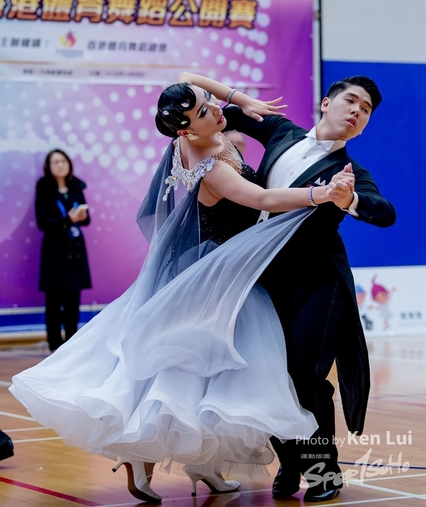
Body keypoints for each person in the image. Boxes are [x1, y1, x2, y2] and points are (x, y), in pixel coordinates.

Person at [10, 84, 351, 504]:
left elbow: (189, 78)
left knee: (211, 378)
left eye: (209, 103)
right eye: (204, 112)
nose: (216, 111)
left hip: (222, 271)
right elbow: (262, 197)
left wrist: (237, 98)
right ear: (185, 131)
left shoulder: (193, 138)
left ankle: (204, 462)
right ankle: (145, 455)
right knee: (198, 377)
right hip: (218, 277)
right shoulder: (209, 165)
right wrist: (322, 193)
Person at [178, 72, 396, 502]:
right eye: (351, 101)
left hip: (319, 284)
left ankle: (323, 472)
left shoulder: (350, 173)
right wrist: (239, 98)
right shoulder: (281, 130)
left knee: (304, 375)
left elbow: (383, 212)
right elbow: (187, 83)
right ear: (326, 103)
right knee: (268, 375)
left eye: (366, 110)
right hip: (263, 278)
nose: (357, 111)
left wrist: (348, 199)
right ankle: (291, 463)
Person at [35, 149, 92, 352]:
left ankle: (70, 346)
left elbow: (87, 220)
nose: (60, 165)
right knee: (53, 300)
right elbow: (43, 222)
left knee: (72, 300)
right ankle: (54, 346)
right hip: (54, 250)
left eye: (63, 161)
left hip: (74, 250)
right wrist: (68, 219)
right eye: (56, 162)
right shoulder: (44, 189)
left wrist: (81, 217)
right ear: (49, 167)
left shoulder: (76, 187)